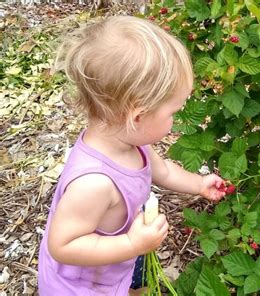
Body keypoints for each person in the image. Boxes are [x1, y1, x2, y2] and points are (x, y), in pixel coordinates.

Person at [38, 15, 226, 295]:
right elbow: (63, 245)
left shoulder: (131, 142)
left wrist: (198, 185)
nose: (176, 119)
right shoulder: (94, 183)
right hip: (83, 287)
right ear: (137, 116)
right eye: (174, 112)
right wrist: (132, 245)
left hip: (118, 258)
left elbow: (163, 172)